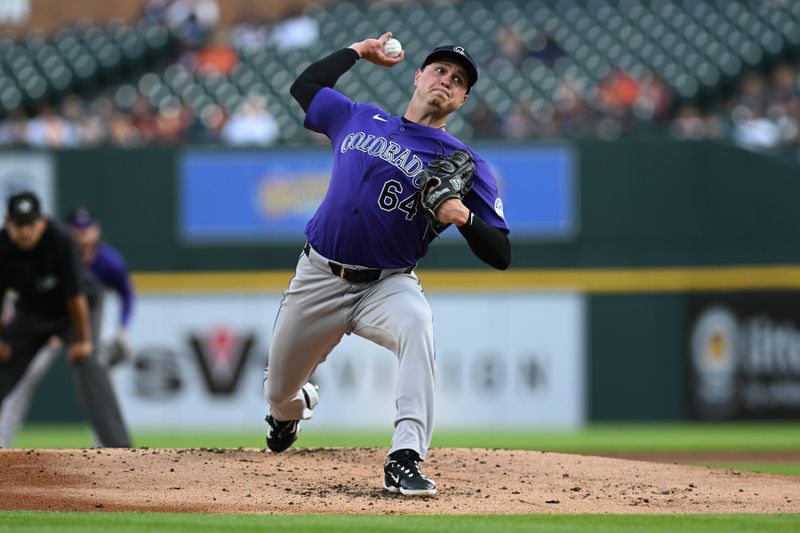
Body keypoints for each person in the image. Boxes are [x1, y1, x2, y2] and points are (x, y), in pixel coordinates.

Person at [262, 33, 510, 497]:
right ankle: (290, 413)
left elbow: (501, 254)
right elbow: (304, 87)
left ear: (462, 99)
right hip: (318, 276)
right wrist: (358, 50)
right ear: (418, 77)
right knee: (279, 393)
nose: (447, 80)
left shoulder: (466, 163)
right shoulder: (360, 116)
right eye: (439, 70)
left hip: (387, 286)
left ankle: (405, 457)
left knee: (418, 324)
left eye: (458, 80)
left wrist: (464, 215)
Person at [0, 192, 131, 447]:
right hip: (32, 312)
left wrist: (82, 341)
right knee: (4, 362)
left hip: (76, 310)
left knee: (90, 363)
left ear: (43, 222)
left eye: (31, 224)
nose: (25, 231)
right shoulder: (2, 246)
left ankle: (120, 450)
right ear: (8, 223)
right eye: (19, 225)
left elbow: (75, 296)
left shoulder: (60, 239)